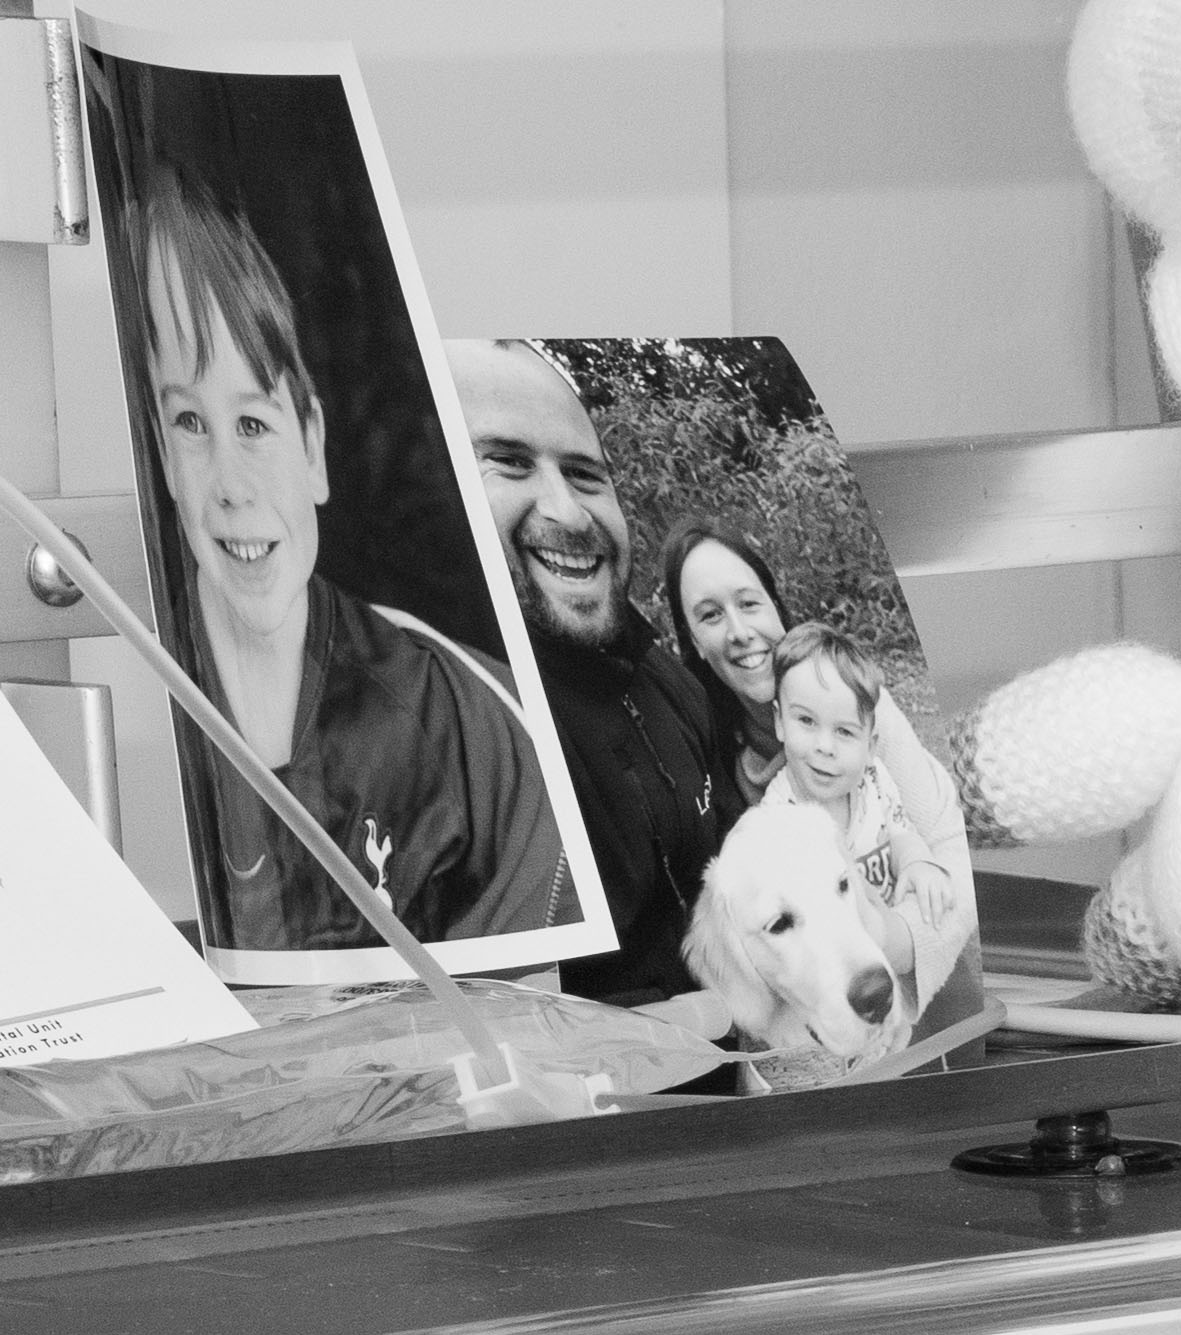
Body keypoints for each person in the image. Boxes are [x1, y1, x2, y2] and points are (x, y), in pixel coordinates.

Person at [132, 188, 569, 958]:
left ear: (313, 445)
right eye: (191, 424)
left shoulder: (465, 716)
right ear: (163, 457)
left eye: (254, 424)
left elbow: (533, 1018)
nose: (230, 485)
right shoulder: (128, 724)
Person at [457, 339, 727, 998]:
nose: (568, 512)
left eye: (584, 475)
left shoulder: (672, 683)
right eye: (509, 463)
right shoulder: (446, 733)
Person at [766, 636, 980, 999]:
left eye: (845, 732)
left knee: (954, 995)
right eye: (805, 721)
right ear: (779, 722)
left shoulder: (874, 781)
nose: (824, 746)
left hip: (895, 947)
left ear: (871, 746)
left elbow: (901, 832)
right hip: (840, 972)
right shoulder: (779, 818)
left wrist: (917, 862)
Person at [667, 521, 805, 790]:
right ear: (695, 641)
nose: (739, 633)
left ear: (775, 606)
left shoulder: (856, 702)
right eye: (711, 615)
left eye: (749, 604)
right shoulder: (713, 767)